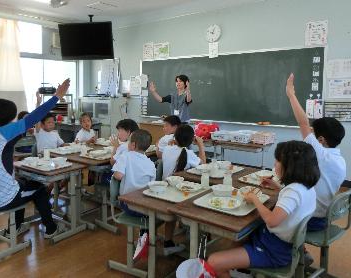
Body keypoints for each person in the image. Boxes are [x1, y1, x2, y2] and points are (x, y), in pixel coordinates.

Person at [0, 78, 70, 239]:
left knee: (21, 184)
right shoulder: (4, 133)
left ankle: (17, 226)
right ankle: (51, 229)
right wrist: (56, 96)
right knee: (39, 189)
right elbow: (34, 117)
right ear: (10, 120)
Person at [199, 141, 319, 277]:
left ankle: (238, 265)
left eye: (278, 161)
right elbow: (295, 202)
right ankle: (241, 267)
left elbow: (272, 221)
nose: (275, 164)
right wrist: (278, 187)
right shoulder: (307, 187)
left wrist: (254, 199)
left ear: (291, 166)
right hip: (281, 242)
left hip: (275, 249)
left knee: (214, 261)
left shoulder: (293, 192)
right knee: (242, 234)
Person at [263, 74, 346, 232]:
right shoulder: (340, 160)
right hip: (323, 216)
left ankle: (284, 247)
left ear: (321, 139)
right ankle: (301, 250)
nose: (310, 135)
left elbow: (303, 122)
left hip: (311, 218)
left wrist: (290, 94)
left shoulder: (321, 154)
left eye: (314, 134)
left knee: (265, 217)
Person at [112, 129, 184, 256]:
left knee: (146, 214)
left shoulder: (126, 156)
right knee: (151, 213)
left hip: (128, 204)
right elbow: (152, 185)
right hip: (145, 204)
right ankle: (146, 239)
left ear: (133, 145)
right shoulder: (150, 163)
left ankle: (143, 241)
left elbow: (118, 176)